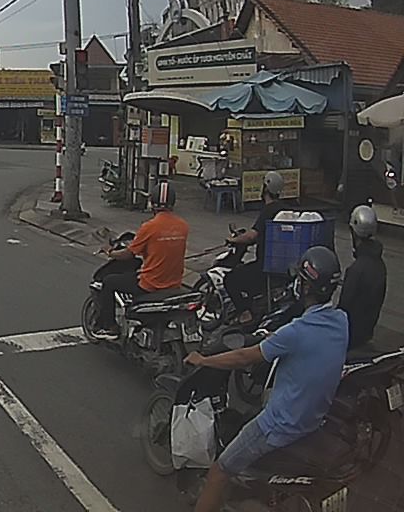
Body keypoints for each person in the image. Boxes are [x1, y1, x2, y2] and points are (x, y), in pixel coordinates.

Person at [184, 246, 348, 512]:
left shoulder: (296, 332)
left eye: (299, 279)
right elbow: (307, 345)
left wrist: (203, 360)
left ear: (305, 287)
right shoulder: (341, 321)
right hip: (313, 419)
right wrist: (276, 340)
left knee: (218, 472)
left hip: (279, 425)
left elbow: (243, 357)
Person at [95, 180, 189, 339]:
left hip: (150, 284)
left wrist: (110, 252)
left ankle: (110, 327)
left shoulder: (149, 227)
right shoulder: (183, 226)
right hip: (174, 283)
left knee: (109, 282)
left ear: (153, 203)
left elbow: (128, 254)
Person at [223, 170, 288, 322]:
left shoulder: (268, 210)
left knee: (230, 279)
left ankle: (245, 314)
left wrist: (234, 240)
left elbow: (252, 235)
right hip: (282, 266)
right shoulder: (284, 209)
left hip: (265, 267)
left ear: (265, 189)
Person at [339, 205, 387, 349]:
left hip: (350, 336)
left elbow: (343, 308)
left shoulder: (356, 270)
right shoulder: (379, 264)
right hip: (367, 332)